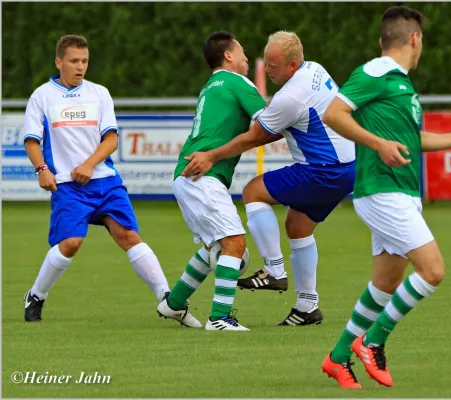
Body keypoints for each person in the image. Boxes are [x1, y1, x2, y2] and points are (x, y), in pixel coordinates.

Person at [320, 6, 451, 388]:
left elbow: (409, 140)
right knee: (433, 270)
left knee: (386, 284)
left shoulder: (400, 83)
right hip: (382, 190)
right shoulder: (376, 71)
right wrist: (377, 144)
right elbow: (333, 113)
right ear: (415, 39)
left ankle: (337, 358)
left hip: (401, 193)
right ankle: (371, 342)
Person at [180, 31, 356, 326]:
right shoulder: (314, 68)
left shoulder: (290, 96)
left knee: (253, 191)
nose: (267, 70)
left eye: (273, 66)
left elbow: (255, 137)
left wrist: (211, 155)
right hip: (348, 167)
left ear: (291, 65)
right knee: (298, 227)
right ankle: (306, 308)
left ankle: (274, 271)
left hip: (323, 169)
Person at [22, 35, 172, 322]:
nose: (81, 67)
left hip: (105, 180)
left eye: (85, 61)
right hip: (68, 185)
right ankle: (36, 295)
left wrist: (90, 165)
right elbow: (31, 141)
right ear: (59, 61)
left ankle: (166, 297)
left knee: (129, 236)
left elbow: (111, 139)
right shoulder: (42, 96)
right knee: (71, 243)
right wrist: (42, 170)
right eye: (74, 61)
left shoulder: (99, 93)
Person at [156, 31, 279, 331]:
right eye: (242, 52)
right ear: (228, 56)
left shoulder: (211, 86)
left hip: (188, 176)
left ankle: (172, 305)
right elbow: (270, 123)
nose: (247, 58)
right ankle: (220, 318)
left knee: (217, 247)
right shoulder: (237, 82)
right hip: (202, 176)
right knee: (235, 244)